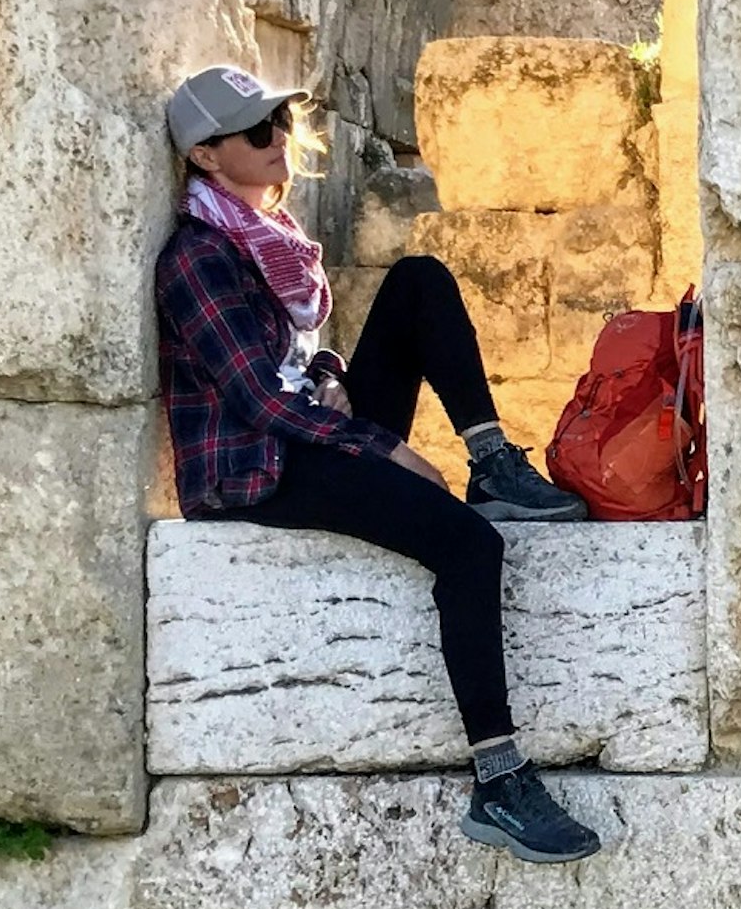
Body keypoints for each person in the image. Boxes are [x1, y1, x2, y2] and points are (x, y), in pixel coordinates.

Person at [156, 65, 604, 863]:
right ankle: (500, 782)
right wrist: (383, 446)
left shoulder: (266, 238)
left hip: (300, 431)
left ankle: (493, 460)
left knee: (418, 280)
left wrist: (332, 379)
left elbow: (296, 364)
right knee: (470, 545)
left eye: (281, 125)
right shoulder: (199, 258)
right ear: (206, 156)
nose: (279, 143)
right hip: (256, 470)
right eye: (258, 133)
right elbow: (258, 398)